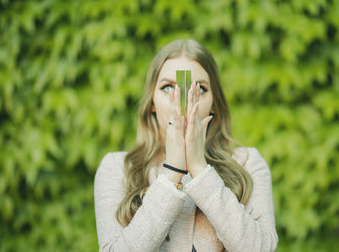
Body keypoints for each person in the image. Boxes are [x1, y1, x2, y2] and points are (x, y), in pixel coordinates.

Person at [94, 39, 278, 252]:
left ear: (214, 105)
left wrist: (200, 170)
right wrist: (172, 173)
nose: (182, 102)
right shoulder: (117, 167)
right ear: (152, 102)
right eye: (168, 87)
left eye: (199, 88)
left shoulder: (248, 162)